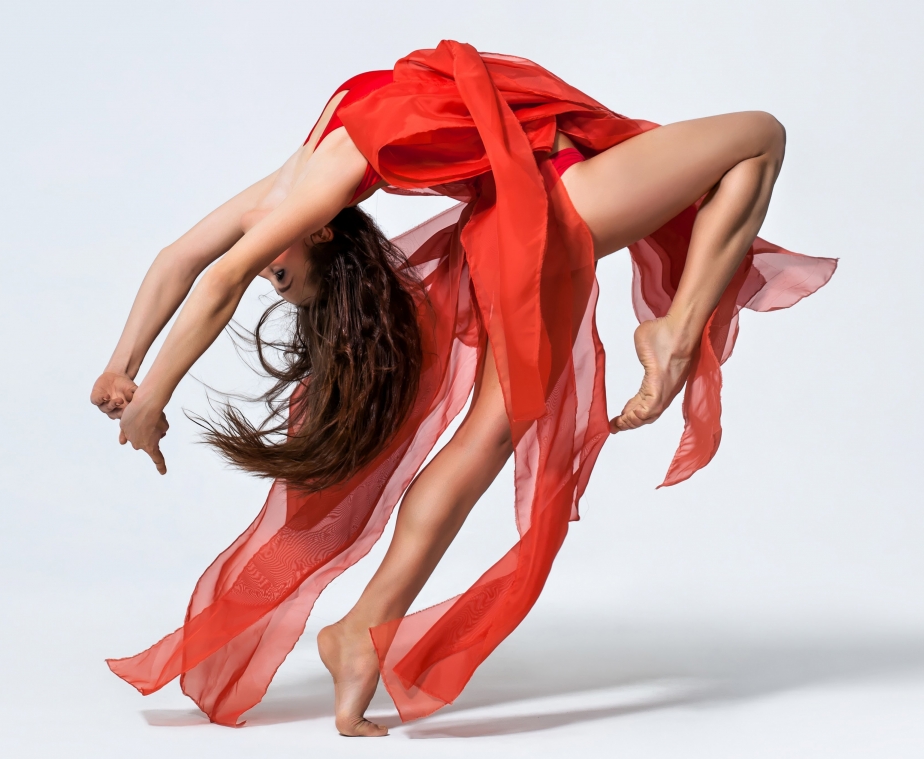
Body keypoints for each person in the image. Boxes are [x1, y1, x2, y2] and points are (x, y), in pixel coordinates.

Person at [90, 41, 835, 736]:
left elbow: (190, 262)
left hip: (525, 210)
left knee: (489, 434)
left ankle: (362, 632)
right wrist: (133, 377)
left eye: (276, 275)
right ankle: (674, 333)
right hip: (545, 204)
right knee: (758, 136)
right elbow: (199, 269)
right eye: (273, 276)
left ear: (318, 235)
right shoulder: (308, 186)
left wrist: (138, 379)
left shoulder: (300, 182)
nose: (260, 265)